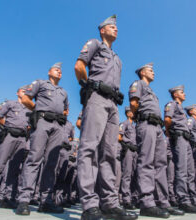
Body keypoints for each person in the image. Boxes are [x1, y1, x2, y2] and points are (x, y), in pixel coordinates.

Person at [75, 15, 137, 220]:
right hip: (97, 99)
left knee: (110, 153)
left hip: (112, 104)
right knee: (89, 148)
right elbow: (79, 67)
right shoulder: (94, 44)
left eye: (116, 27)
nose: (116, 29)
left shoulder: (118, 59)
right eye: (112, 27)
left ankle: (110, 203)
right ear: (102, 30)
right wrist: (88, 85)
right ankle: (89, 205)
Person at [130, 63, 184, 218]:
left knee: (161, 164)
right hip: (145, 123)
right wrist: (139, 117)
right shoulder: (138, 84)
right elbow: (134, 103)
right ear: (142, 72)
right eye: (150, 70)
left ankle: (162, 201)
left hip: (157, 127)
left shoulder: (153, 92)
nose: (153, 72)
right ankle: (147, 202)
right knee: (146, 162)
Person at [16, 62, 69, 215]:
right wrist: (38, 111)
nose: (59, 71)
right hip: (42, 121)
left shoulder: (63, 92)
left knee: (51, 163)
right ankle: (24, 200)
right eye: (56, 69)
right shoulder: (40, 83)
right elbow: (26, 99)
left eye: (60, 70)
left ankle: (46, 201)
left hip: (57, 126)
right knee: (34, 158)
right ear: (49, 72)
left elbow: (66, 110)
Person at [0, 86, 31, 210]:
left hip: (21, 138)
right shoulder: (10, 103)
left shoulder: (30, 109)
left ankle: (9, 197)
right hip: (9, 135)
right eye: (22, 90)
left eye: (27, 90)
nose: (25, 91)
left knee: (15, 169)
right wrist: (8, 126)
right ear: (17, 92)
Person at [163, 85, 196, 214]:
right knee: (181, 169)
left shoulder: (181, 109)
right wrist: (170, 133)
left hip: (186, 140)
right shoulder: (172, 104)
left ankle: (192, 200)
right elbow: (167, 119)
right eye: (182, 92)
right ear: (175, 94)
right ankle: (183, 200)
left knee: (190, 171)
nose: (184, 94)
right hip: (179, 137)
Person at [119, 107, 138, 210]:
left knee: (135, 174)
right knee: (127, 174)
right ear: (128, 113)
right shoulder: (124, 123)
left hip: (136, 150)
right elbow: (119, 137)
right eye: (132, 112)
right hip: (128, 150)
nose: (133, 113)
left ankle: (135, 198)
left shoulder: (135, 126)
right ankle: (126, 199)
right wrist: (126, 144)